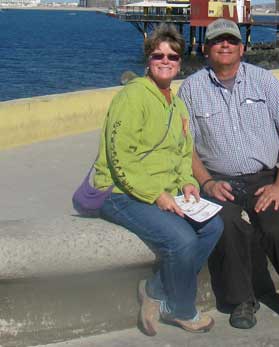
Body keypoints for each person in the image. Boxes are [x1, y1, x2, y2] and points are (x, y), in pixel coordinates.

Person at [178, 18, 279, 330]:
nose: (225, 45)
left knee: (274, 230)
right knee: (226, 226)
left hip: (263, 179)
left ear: (241, 48)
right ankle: (242, 301)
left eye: (231, 40)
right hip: (219, 181)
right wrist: (206, 182)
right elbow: (183, 145)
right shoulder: (191, 89)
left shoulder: (264, 81)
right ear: (206, 49)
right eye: (217, 41)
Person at [94, 24, 223, 336]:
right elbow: (119, 158)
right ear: (148, 60)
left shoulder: (176, 104)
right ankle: (179, 308)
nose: (166, 61)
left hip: (161, 189)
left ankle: (153, 289)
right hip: (119, 191)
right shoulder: (133, 96)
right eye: (158, 55)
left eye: (173, 56)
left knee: (213, 226)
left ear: (180, 62)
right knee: (182, 240)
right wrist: (157, 195)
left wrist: (186, 183)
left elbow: (182, 153)